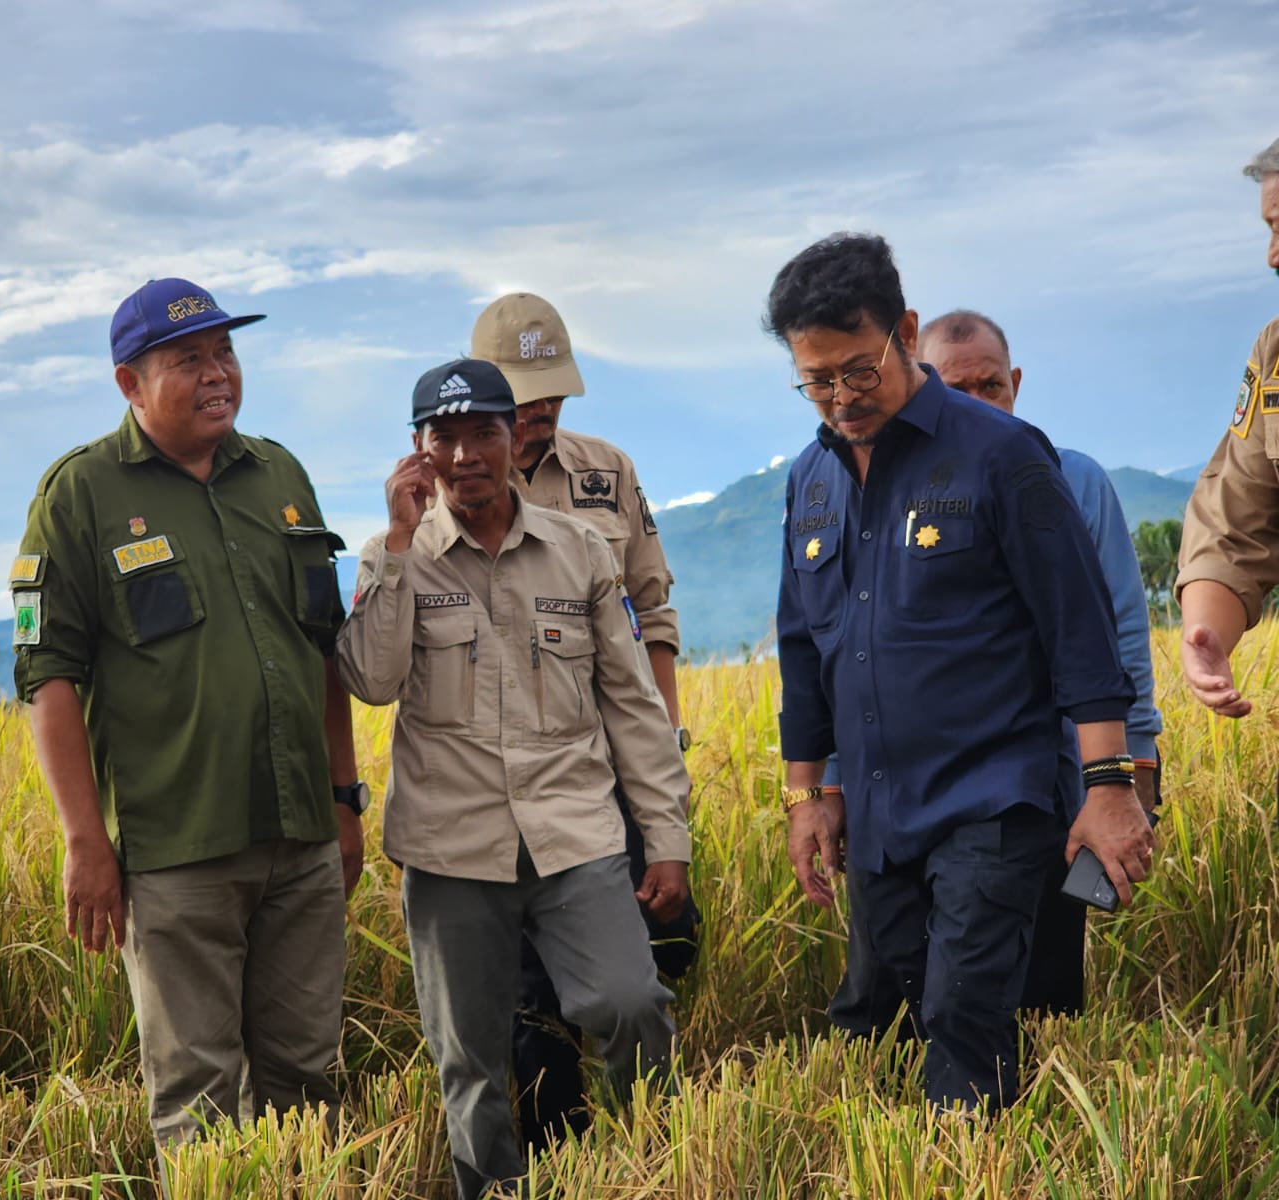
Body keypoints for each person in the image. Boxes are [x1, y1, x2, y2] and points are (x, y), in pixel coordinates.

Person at [770, 234, 1155, 1112]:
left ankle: (970, 1154)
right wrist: (807, 794)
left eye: (859, 371)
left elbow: (1082, 630)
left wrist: (1110, 784)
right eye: (817, 381)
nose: (841, 398)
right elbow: (802, 647)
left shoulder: (1002, 453)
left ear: (905, 332)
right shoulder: (810, 482)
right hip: (878, 809)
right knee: (895, 1019)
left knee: (962, 1019)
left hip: (993, 793)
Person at [11, 277, 367, 1160]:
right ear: (129, 384)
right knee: (199, 1101)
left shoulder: (279, 475)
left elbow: (321, 650)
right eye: (188, 360)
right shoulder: (80, 495)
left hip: (302, 836)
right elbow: (48, 677)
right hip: (178, 851)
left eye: (225, 352)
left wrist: (345, 799)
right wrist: (85, 843)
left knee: (307, 1083)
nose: (217, 374)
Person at [335, 358, 690, 1199]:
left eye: (482, 434)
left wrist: (667, 838)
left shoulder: (579, 550)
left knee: (629, 1001)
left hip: (575, 835)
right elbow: (371, 680)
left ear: (512, 437)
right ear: (418, 449)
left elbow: (633, 706)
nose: (465, 455)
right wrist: (397, 543)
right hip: (451, 849)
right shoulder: (394, 556)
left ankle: (656, 1169)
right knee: (470, 1057)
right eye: (445, 437)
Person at [470, 292, 699, 1150]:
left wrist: (664, 754)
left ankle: (650, 1149)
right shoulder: (451, 479)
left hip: (611, 769)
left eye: (553, 395)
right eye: (523, 398)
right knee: (530, 994)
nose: (541, 413)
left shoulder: (607, 472)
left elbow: (653, 614)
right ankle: (555, 1152)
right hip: (503, 786)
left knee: (651, 952)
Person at [1178, 136, 1279, 716]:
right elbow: (1235, 521)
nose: (1272, 256)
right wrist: (1207, 636)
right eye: (1270, 229)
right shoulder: (1275, 354)